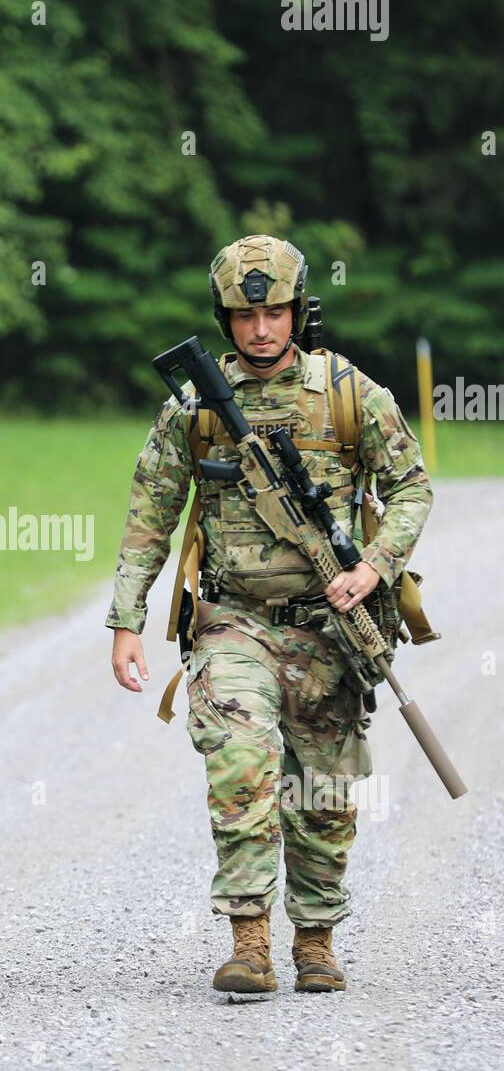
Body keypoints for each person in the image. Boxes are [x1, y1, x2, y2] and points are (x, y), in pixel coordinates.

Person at [107, 234, 433, 994]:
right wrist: (126, 619)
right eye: (245, 316)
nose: (261, 329)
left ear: (297, 311)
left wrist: (371, 566)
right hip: (234, 621)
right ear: (225, 320)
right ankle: (249, 939)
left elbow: (413, 487)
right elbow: (150, 512)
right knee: (240, 754)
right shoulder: (193, 410)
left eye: (275, 313)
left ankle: (315, 941)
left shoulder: (350, 394)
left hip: (328, 626)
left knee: (321, 792)